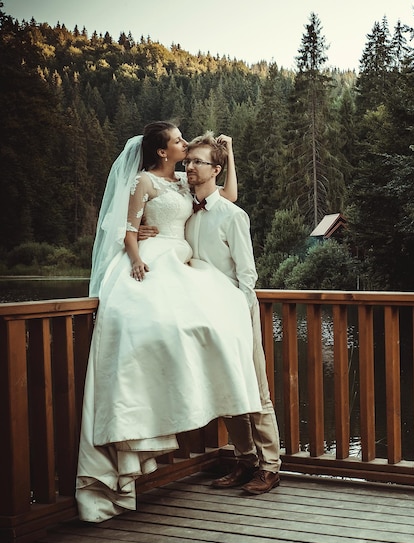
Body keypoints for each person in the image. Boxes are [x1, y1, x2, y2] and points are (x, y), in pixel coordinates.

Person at [76, 121, 262, 522]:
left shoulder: (183, 181)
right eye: (179, 141)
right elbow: (126, 228)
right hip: (155, 257)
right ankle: (145, 426)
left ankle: (226, 431)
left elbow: (228, 196)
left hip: (184, 260)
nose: (185, 146)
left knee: (208, 328)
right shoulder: (143, 181)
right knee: (153, 327)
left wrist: (230, 157)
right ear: (162, 151)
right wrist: (138, 252)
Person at [140, 131, 282, 495]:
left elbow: (247, 273)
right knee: (227, 386)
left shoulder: (232, 215)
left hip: (236, 311)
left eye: (197, 162)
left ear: (215, 169)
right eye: (188, 161)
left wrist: (239, 309)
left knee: (256, 390)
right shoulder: (186, 208)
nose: (189, 166)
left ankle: (270, 467)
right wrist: (142, 232)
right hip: (204, 310)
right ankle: (244, 459)